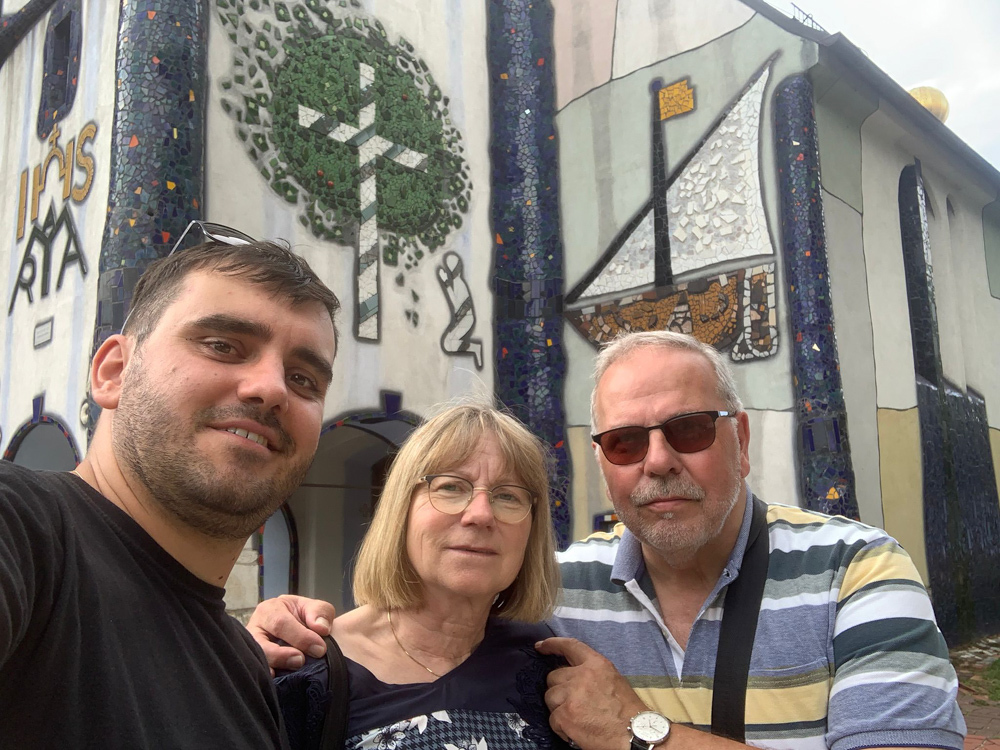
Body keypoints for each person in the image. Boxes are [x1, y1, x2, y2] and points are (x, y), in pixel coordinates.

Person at [251, 331, 966, 750]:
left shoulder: (857, 573)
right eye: (625, 441)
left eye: (688, 429)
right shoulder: (556, 597)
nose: (658, 461)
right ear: (603, 463)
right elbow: (428, 615)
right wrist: (283, 628)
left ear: (741, 439)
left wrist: (638, 732)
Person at [0, 230, 340, 749]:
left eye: (304, 380)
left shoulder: (245, 669)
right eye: (222, 346)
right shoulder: (23, 529)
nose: (272, 388)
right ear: (114, 372)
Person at [255, 404, 568, 750]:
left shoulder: (545, 664)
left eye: (508, 495)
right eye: (451, 487)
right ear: (401, 510)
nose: (480, 515)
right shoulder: (305, 672)